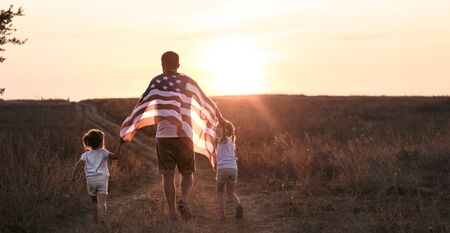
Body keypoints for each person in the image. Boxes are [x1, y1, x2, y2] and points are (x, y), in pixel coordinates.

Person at [122, 51, 231, 221]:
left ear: (162, 64)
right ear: (178, 65)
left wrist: (129, 126)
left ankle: (172, 213)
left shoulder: (156, 81)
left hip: (164, 135)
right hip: (184, 134)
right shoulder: (187, 81)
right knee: (187, 173)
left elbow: (141, 103)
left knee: (167, 175)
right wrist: (221, 119)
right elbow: (206, 100)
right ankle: (183, 199)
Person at [71, 129, 122, 224]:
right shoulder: (103, 152)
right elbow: (115, 156)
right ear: (101, 142)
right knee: (102, 203)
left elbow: (77, 165)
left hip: (91, 180)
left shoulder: (85, 155)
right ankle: (102, 221)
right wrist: (120, 144)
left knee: (94, 203)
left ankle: (95, 222)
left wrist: (72, 177)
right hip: (102, 179)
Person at [215, 123, 243, 220]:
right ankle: (238, 206)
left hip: (223, 168)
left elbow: (223, 133)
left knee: (219, 191)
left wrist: (221, 121)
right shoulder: (232, 142)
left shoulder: (224, 139)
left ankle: (222, 215)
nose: (216, 129)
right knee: (230, 192)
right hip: (233, 169)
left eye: (218, 128)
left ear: (225, 130)